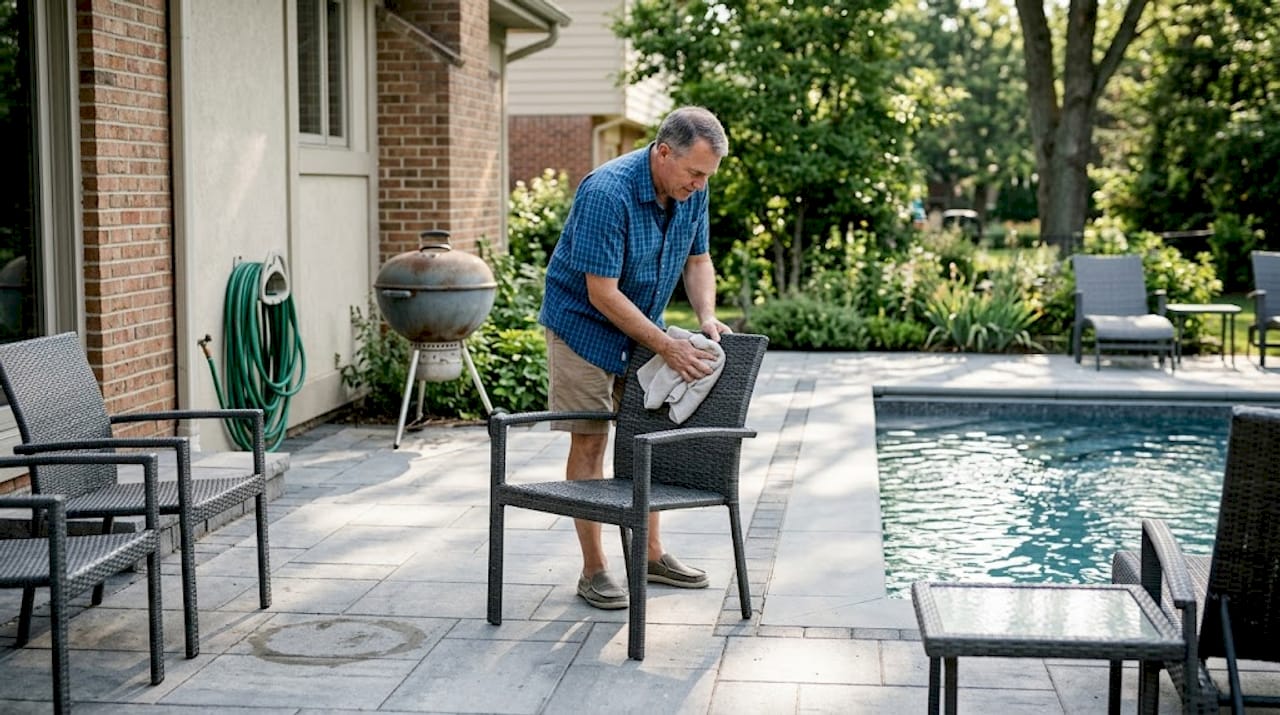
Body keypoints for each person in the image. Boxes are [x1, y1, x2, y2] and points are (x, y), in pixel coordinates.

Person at [538, 106, 734, 609]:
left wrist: (706, 317)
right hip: (583, 327)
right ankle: (595, 569)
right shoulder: (607, 192)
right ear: (663, 152)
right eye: (694, 172)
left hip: (639, 324)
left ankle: (649, 554)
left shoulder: (694, 187)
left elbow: (699, 259)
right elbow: (602, 294)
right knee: (590, 441)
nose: (699, 184)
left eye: (706, 175)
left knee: (646, 437)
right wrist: (667, 344)